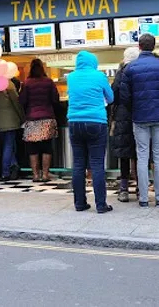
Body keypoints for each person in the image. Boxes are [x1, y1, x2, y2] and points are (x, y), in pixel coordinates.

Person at [121, 33, 159, 207]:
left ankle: (144, 198)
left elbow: (124, 96)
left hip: (139, 119)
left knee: (142, 156)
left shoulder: (130, 68)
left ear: (139, 46)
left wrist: (134, 110)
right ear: (153, 47)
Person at [66, 51, 114, 213]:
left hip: (74, 122)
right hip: (96, 122)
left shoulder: (71, 77)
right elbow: (111, 97)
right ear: (93, 62)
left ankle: (80, 203)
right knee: (97, 164)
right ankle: (101, 205)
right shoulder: (99, 76)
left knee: (78, 164)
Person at [19, 58, 60, 182]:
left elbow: (22, 101)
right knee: (47, 147)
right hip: (47, 117)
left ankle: (36, 175)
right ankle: (45, 174)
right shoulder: (49, 82)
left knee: (33, 148)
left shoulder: (26, 83)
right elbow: (55, 99)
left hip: (32, 118)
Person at [110, 47, 139, 202]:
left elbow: (113, 94)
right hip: (139, 115)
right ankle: (140, 188)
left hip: (122, 117)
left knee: (124, 155)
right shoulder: (140, 72)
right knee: (140, 153)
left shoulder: (121, 73)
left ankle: (124, 189)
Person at [0, 78, 24, 181]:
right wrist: (22, 117)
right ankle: (6, 172)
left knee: (5, 145)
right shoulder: (8, 84)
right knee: (9, 145)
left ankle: (13, 166)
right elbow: (17, 102)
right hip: (10, 120)